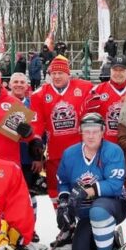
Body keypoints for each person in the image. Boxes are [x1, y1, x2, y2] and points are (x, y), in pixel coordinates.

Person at [55, 113, 126, 250]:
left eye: (95, 131)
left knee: (98, 210)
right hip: (85, 213)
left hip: (112, 206)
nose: (91, 135)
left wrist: (87, 192)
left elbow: (115, 185)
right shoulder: (70, 154)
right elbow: (63, 182)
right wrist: (64, 204)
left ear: (103, 131)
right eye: (86, 131)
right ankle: (113, 240)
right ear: (80, 131)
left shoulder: (113, 151)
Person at [29, 55, 94, 209]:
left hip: (82, 151)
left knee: (83, 186)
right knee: (56, 188)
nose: (56, 76)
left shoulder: (85, 88)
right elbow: (36, 122)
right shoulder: (40, 94)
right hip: (55, 152)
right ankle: (63, 223)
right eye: (53, 73)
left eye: (60, 73)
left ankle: (85, 223)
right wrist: (36, 141)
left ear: (68, 74)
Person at [84, 58, 126, 145]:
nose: (118, 73)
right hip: (105, 145)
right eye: (115, 70)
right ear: (110, 70)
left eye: (121, 70)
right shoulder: (97, 91)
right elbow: (88, 119)